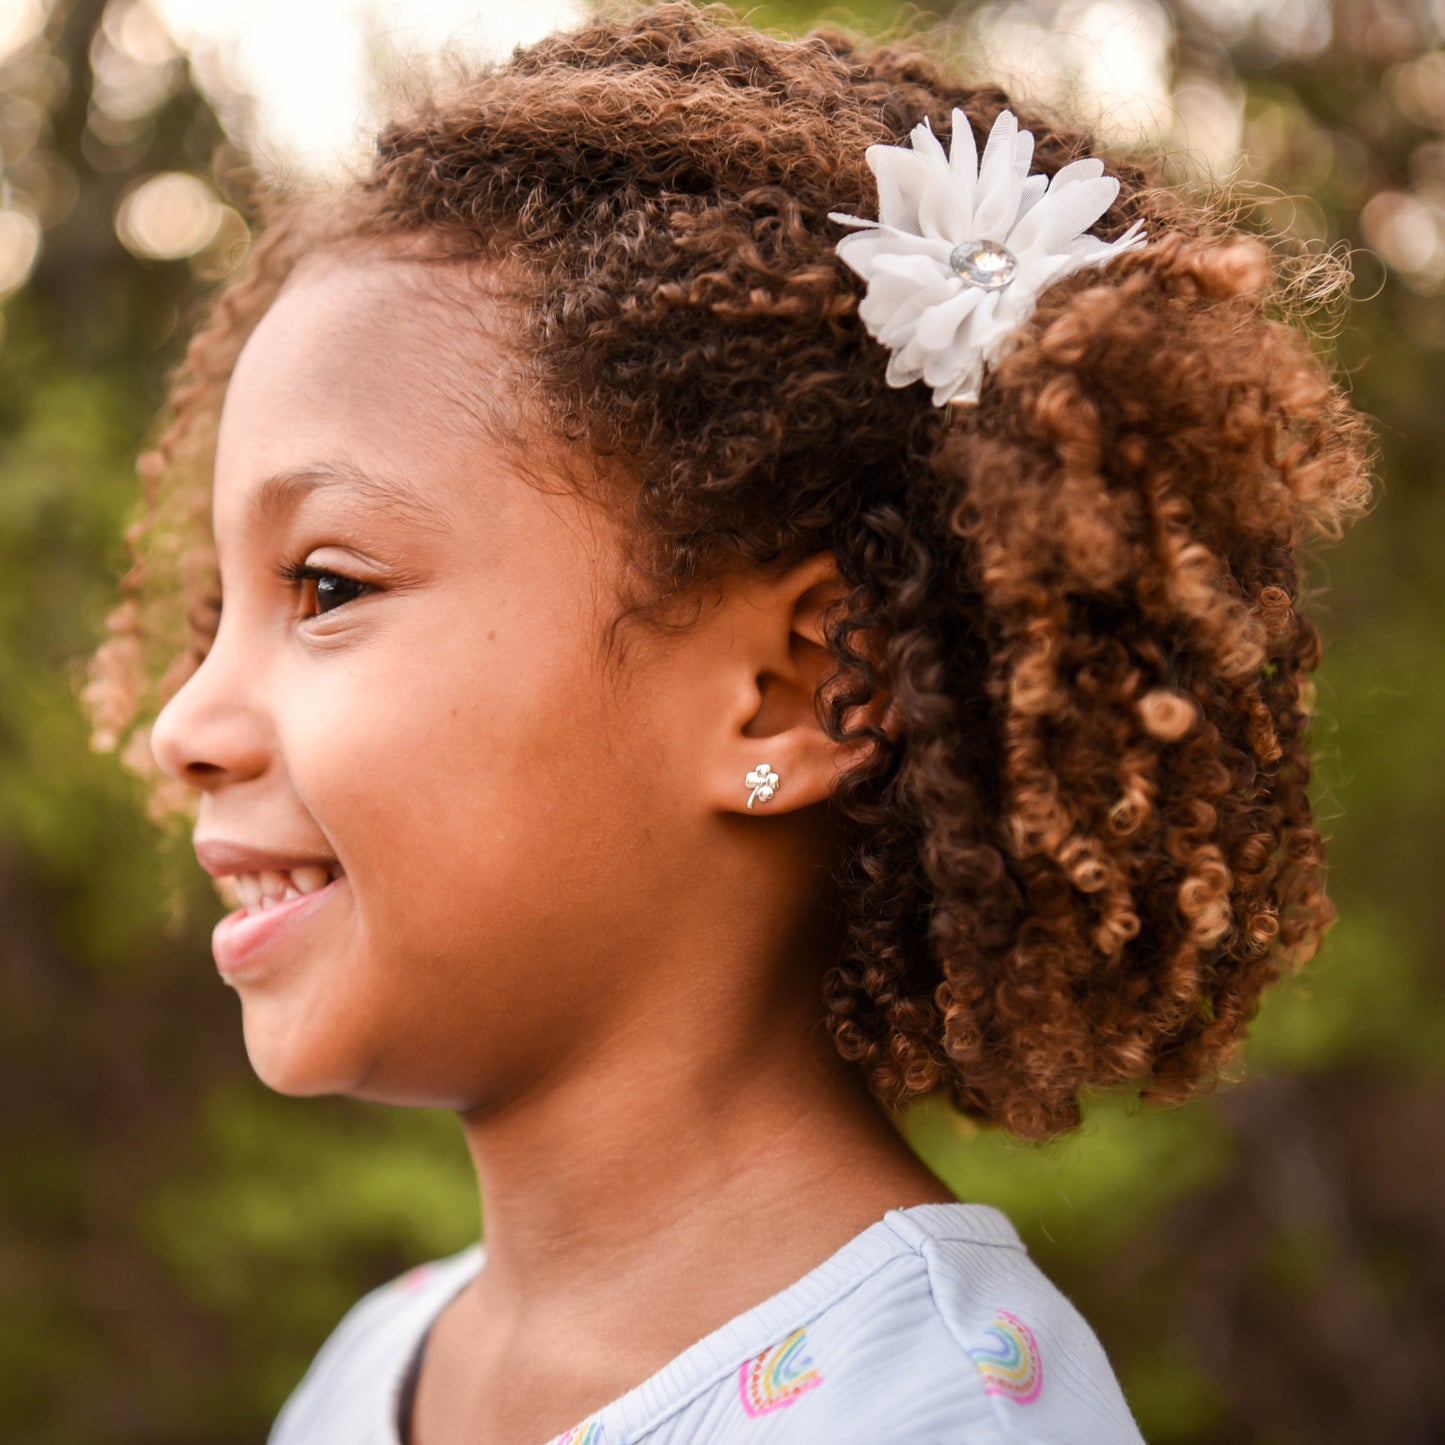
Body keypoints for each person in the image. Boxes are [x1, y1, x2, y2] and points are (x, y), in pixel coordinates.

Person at [85, 3, 1373, 1441]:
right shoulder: (372, 1368)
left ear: (796, 685)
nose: (183, 722)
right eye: (218, 615)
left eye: (325, 586)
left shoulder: (939, 1415)